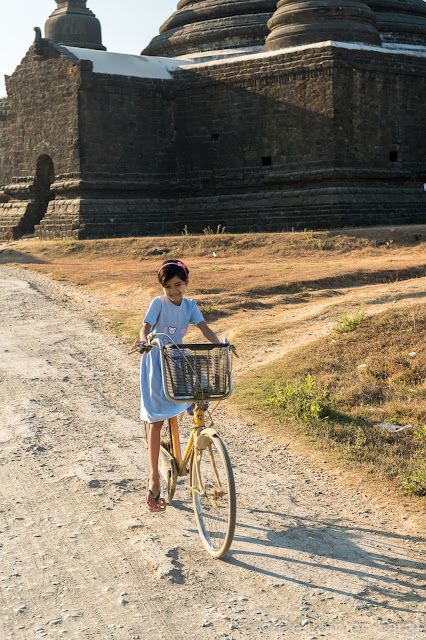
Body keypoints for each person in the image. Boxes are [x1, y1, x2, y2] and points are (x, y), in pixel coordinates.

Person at [130, 259, 220, 512]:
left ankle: (192, 416)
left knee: (202, 390)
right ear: (162, 288)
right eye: (167, 286)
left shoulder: (190, 306)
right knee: (157, 421)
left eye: (178, 285)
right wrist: (143, 341)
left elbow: (205, 329)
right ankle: (154, 479)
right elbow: (145, 327)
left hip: (178, 357)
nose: (173, 291)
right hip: (158, 358)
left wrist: (220, 345)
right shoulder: (158, 303)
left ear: (186, 283)